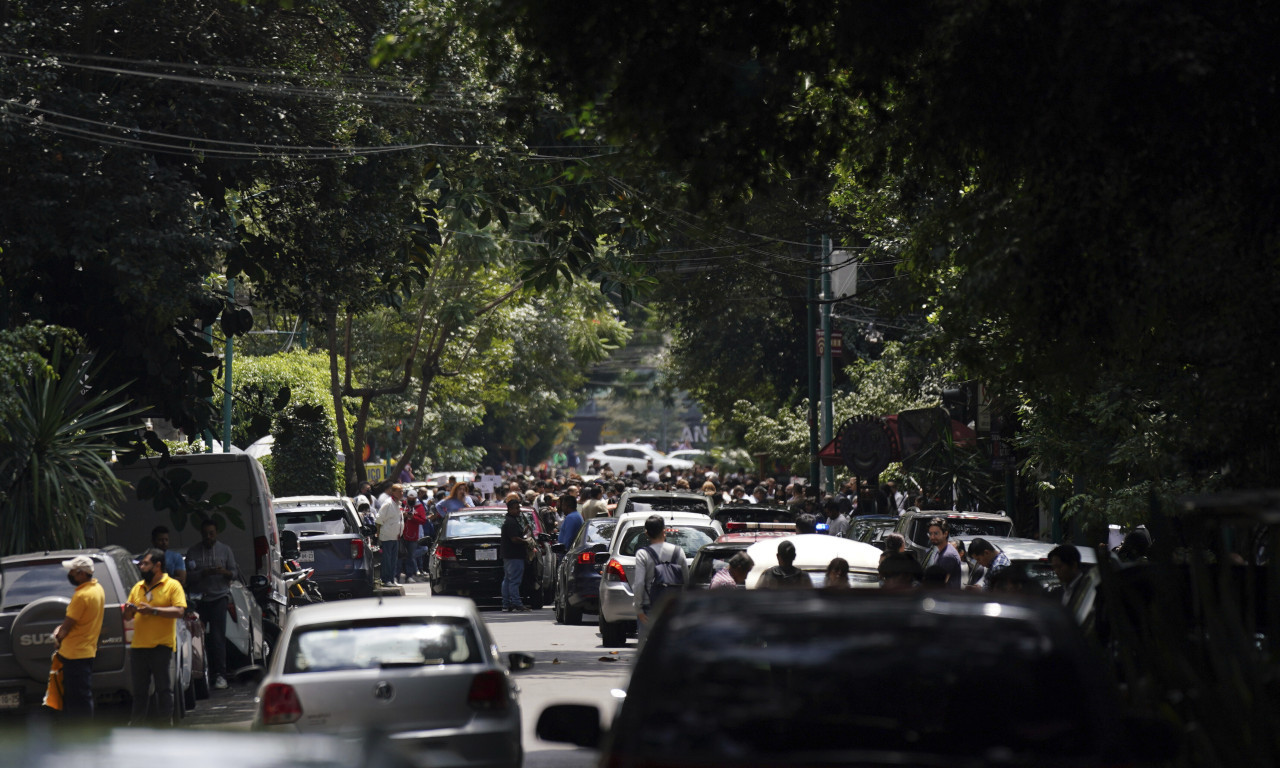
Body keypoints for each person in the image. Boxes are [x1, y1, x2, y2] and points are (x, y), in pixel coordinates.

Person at [123, 549, 187, 725]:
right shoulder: (138, 587)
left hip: (161, 646)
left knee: (163, 689)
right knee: (139, 691)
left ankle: (165, 725)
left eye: (145, 564)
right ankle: (137, 726)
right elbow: (128, 617)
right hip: (139, 647)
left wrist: (154, 611)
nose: (142, 567)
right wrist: (129, 611)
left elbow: (180, 611)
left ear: (157, 566)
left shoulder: (172, 585)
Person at [186, 518, 238, 690]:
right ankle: (200, 674)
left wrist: (224, 572)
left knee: (217, 637)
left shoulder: (225, 550)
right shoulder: (193, 551)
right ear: (201, 534)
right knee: (197, 638)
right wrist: (203, 573)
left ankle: (221, 675)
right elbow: (189, 577)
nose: (208, 537)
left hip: (219, 598)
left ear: (216, 533)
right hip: (199, 599)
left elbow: (235, 573)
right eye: (206, 534)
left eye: (211, 534)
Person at [52, 555, 105, 718]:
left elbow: (66, 627)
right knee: (82, 695)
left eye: (73, 572)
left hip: (74, 654)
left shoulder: (81, 596)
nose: (70, 575)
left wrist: (57, 636)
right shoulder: (98, 589)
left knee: (77, 700)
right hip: (86, 651)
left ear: (82, 574)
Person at [631, 515, 688, 646]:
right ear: (665, 530)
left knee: (648, 651)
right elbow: (686, 581)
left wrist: (638, 610)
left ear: (646, 533)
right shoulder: (678, 552)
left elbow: (639, 583)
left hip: (649, 609)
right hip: (672, 609)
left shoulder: (642, 554)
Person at [501, 498, 531, 612]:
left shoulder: (511, 520)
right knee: (514, 580)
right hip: (514, 555)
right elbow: (514, 539)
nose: (519, 510)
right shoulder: (511, 522)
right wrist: (526, 541)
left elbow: (515, 535)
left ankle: (506, 604)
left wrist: (524, 531)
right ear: (510, 509)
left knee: (508, 579)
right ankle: (516, 603)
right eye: (517, 508)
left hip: (509, 555)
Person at [376, 484, 405, 586]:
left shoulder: (398, 504)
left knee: (394, 559)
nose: (402, 493)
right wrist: (378, 534)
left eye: (402, 491)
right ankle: (386, 580)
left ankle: (392, 579)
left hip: (395, 536)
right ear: (393, 492)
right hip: (387, 536)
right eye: (399, 491)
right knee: (387, 559)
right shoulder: (388, 503)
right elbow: (379, 519)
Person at [922, 517, 961, 589]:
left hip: (947, 599)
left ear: (945, 533)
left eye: (936, 533)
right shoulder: (939, 552)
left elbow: (939, 584)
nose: (932, 537)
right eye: (930, 533)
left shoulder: (948, 556)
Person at [400, 489, 425, 583]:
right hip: (401, 534)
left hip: (413, 535)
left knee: (410, 556)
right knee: (400, 555)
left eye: (412, 499)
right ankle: (396, 575)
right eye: (409, 498)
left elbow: (423, 520)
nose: (410, 500)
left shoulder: (419, 507)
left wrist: (412, 517)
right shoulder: (402, 504)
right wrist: (404, 515)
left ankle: (409, 575)